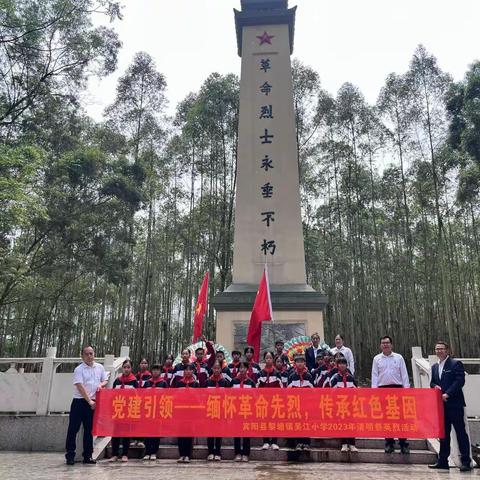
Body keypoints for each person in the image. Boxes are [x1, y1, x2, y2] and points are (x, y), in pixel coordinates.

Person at [428, 341, 472, 472]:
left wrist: (448, 393)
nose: (439, 351)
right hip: (441, 407)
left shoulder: (455, 364)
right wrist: (434, 386)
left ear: (447, 350)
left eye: (441, 349)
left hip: (454, 404)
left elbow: (460, 381)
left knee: (460, 433)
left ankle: (465, 461)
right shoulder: (435, 367)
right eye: (437, 349)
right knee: (443, 434)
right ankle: (443, 461)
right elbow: (432, 382)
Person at [65, 346, 108, 465]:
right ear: (82, 356)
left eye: (91, 353)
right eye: (86, 354)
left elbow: (105, 380)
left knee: (89, 430)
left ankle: (88, 456)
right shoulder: (79, 369)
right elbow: (80, 386)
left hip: (93, 403)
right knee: (73, 429)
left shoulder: (99, 367)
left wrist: (101, 384)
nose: (89, 356)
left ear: (94, 354)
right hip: (79, 402)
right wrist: (89, 401)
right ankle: (70, 455)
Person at [371, 335, 410, 454]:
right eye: (383, 343)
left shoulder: (398, 358)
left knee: (400, 418)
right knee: (386, 418)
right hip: (383, 390)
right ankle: (389, 442)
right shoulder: (377, 359)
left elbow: (404, 374)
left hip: (397, 389)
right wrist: (374, 392)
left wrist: (406, 390)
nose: (385, 345)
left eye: (387, 343)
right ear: (380, 345)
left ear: (391, 344)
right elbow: (375, 375)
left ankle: (403, 443)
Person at [110, 359, 138, 462]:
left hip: (128, 410)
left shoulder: (134, 381)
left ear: (131, 368)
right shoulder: (117, 381)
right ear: (122, 368)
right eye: (125, 367)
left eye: (128, 367)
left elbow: (137, 397)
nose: (126, 369)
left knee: (126, 433)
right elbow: (112, 395)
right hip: (118, 410)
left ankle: (125, 454)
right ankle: (114, 454)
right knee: (116, 432)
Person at [330, 357, 359, 453]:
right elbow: (332, 393)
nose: (342, 365)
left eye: (344, 363)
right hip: (340, 404)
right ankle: (344, 444)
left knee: (351, 423)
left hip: (350, 404)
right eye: (340, 363)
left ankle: (352, 444)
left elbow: (356, 391)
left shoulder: (351, 378)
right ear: (337, 366)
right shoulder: (335, 378)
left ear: (347, 365)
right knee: (341, 424)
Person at [287, 354, 314, 451]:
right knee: (297, 423)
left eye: (301, 362)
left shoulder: (309, 376)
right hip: (295, 404)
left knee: (306, 423)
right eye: (297, 362)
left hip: (306, 404)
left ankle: (306, 443)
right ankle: (298, 443)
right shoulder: (292, 376)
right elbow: (288, 391)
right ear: (295, 364)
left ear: (304, 363)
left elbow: (312, 390)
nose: (299, 364)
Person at [205, 360, 230, 461]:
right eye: (214, 368)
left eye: (218, 368)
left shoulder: (225, 382)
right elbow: (204, 398)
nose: (216, 370)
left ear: (221, 369)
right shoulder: (207, 382)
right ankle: (210, 452)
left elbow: (228, 398)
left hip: (220, 410)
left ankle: (218, 452)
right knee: (210, 432)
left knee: (219, 432)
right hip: (210, 410)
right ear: (212, 369)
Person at [142, 364, 168, 461]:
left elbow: (167, 397)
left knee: (156, 432)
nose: (155, 372)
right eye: (154, 370)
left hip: (158, 411)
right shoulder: (147, 383)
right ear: (151, 371)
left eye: (157, 370)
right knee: (147, 432)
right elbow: (142, 396)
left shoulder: (163, 383)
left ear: (160, 372)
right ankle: (147, 451)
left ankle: (153, 452)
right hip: (148, 411)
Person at [174, 364, 199, 463]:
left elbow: (198, 399)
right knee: (181, 433)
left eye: (190, 370)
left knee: (189, 434)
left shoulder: (196, 384)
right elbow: (175, 397)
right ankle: (181, 454)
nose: (188, 371)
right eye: (186, 370)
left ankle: (188, 455)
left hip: (191, 412)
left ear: (193, 371)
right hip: (181, 412)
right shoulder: (179, 383)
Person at [257, 351, 282, 451]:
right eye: (266, 358)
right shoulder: (261, 373)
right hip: (264, 402)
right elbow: (257, 387)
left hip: (275, 402)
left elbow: (281, 387)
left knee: (275, 421)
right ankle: (266, 441)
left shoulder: (277, 373)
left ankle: (274, 442)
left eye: (270, 358)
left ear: (273, 360)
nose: (268, 360)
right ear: (264, 360)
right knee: (265, 421)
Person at [232, 362, 255, 461]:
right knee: (236, 432)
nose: (242, 370)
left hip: (247, 410)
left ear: (247, 370)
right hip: (236, 410)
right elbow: (230, 396)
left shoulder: (251, 382)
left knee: (246, 433)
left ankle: (245, 453)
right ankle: (237, 453)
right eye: (240, 368)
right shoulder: (234, 382)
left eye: (244, 368)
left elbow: (255, 397)